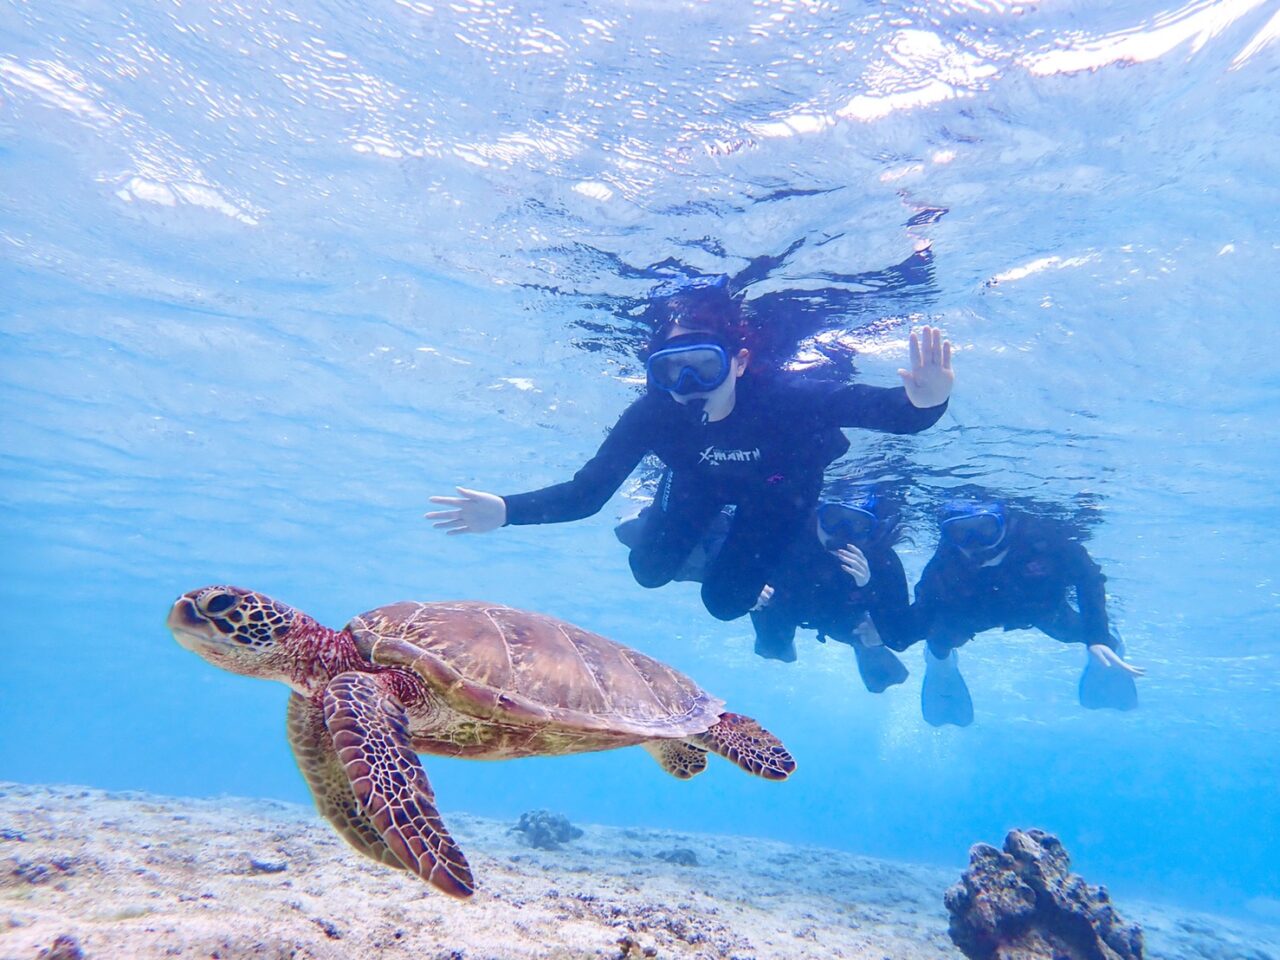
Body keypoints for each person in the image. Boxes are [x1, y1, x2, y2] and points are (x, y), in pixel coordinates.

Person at [427, 275, 954, 622]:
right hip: (696, 483)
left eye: (704, 365)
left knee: (724, 605)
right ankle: (702, 535)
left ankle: (726, 550)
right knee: (648, 572)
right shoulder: (654, 413)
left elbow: (893, 415)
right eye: (668, 369)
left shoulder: (787, 401)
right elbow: (586, 495)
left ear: (740, 363)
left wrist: (927, 402)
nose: (686, 382)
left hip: (779, 496)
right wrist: (506, 511)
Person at [617, 493, 913, 692]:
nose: (843, 532)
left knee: (868, 634)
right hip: (778, 604)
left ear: (872, 530)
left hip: (841, 615)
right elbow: (733, 555)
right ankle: (778, 644)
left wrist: (871, 593)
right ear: (817, 514)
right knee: (774, 649)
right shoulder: (788, 531)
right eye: (834, 518)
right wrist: (745, 589)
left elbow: (899, 624)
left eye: (859, 525)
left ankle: (865, 647)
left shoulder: (881, 559)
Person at [900, 500, 1144, 727]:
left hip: (1038, 606)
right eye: (961, 533)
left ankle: (1111, 647)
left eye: (985, 528)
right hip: (977, 610)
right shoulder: (945, 562)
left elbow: (1089, 579)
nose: (975, 542)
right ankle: (939, 663)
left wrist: (1097, 637)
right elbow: (924, 610)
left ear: (1008, 522)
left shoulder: (1046, 538)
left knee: (1076, 633)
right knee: (941, 637)